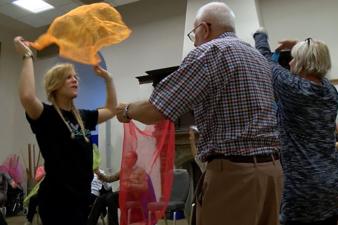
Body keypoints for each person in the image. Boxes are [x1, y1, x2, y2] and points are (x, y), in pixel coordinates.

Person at [116, 3, 283, 225]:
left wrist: (126, 110)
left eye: (193, 33)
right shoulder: (259, 59)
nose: (194, 40)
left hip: (235, 177)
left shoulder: (209, 53)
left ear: (204, 28)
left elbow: (155, 109)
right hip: (273, 173)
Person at [14, 36, 117, 225]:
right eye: (68, 77)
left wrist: (108, 79)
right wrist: (27, 56)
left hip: (81, 197)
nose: (75, 79)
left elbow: (111, 109)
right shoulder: (46, 115)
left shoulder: (83, 116)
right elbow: (28, 97)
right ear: (55, 85)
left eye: (75, 76)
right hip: (56, 200)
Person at [254, 30, 338, 225]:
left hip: (303, 186)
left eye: (294, 58)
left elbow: (265, 60)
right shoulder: (330, 91)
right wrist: (300, 45)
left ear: (304, 63)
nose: (289, 63)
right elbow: (318, 58)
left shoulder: (292, 87)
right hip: (333, 182)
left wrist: (259, 34)